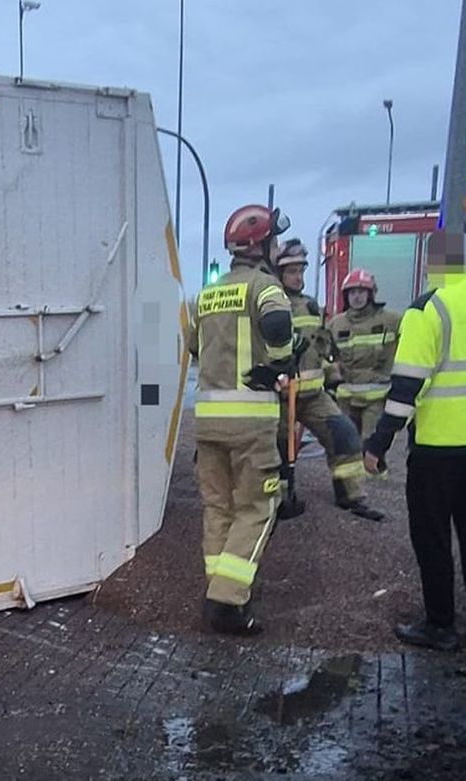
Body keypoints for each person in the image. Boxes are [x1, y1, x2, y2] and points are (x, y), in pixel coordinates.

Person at [363, 232, 466, 651]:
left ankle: (440, 624)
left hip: (437, 448)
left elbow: (406, 389)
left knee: (432, 536)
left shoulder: (427, 309)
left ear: (434, 263)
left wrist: (379, 442)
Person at [187, 204, 295, 636]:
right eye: (275, 240)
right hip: (250, 422)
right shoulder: (265, 286)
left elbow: (194, 347)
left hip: (208, 422)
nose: (278, 247)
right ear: (261, 246)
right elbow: (276, 319)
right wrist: (281, 360)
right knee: (257, 507)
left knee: (218, 507)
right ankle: (227, 605)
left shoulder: (205, 295)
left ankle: (218, 587)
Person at [274, 239, 383, 521]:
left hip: (312, 396)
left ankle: (351, 496)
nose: (299, 277)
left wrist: (333, 382)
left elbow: (324, 347)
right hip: (281, 397)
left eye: (301, 270)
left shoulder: (311, 306)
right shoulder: (270, 303)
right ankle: (280, 502)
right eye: (292, 271)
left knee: (345, 435)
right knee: (280, 452)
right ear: (279, 274)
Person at [328, 270, 402, 443]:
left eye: (361, 292)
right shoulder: (335, 324)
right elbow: (325, 356)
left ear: (371, 294)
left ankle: (374, 470)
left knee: (371, 446)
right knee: (346, 447)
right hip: (345, 399)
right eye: (352, 292)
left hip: (376, 398)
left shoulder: (392, 321)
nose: (357, 297)